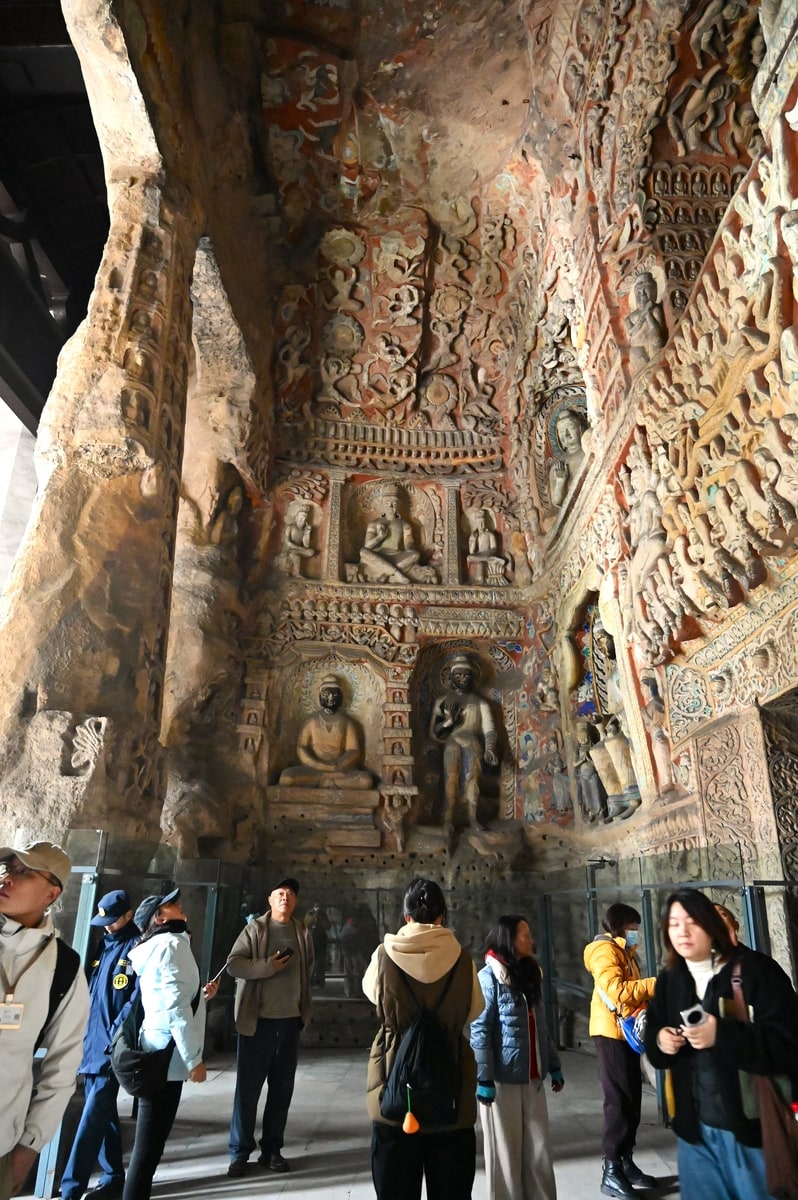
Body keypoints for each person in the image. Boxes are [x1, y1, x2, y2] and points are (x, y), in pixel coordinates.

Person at [645, 889, 798, 1199]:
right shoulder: (671, 980)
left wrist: (722, 1035)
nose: (682, 932)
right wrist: (661, 1041)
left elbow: (789, 1045)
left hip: (752, 1134)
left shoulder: (755, 972)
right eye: (673, 924)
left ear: (711, 925)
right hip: (695, 1136)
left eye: (692, 922)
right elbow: (654, 1041)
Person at [362, 877, 484, 1200]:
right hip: (450, 1085)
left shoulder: (384, 954)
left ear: (406, 916)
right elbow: (475, 1008)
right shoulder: (463, 959)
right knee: (452, 1189)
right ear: (442, 916)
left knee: (395, 1188)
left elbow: (371, 993)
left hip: (394, 1083)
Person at [0, 842, 90, 1200]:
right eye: (8, 869)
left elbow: (63, 1066)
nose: (8, 878)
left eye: (24, 872)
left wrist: (29, 1147)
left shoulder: (63, 967)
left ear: (52, 894)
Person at [124, 889, 216, 1200]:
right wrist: (194, 1059)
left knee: (151, 1143)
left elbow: (169, 999)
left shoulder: (160, 946)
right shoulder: (172, 945)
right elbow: (174, 1007)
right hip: (166, 1055)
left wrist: (201, 997)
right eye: (171, 905)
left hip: (157, 1047)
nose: (180, 905)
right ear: (160, 919)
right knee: (148, 1146)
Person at [470, 915, 564, 1200]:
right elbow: (480, 1030)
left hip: (533, 1077)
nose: (530, 940)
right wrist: (484, 1078)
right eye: (525, 935)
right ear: (509, 940)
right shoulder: (488, 978)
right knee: (505, 1152)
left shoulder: (531, 974)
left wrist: (553, 1064)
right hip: (502, 1081)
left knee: (538, 1150)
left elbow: (540, 1025)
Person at [226, 877, 313, 1177]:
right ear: (270, 899)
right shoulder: (255, 930)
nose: (285, 897)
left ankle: (272, 1149)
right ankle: (239, 1152)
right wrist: (268, 966)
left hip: (289, 1023)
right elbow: (234, 964)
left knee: (281, 1090)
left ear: (296, 901)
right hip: (257, 1023)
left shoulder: (302, 931)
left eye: (290, 894)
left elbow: (308, 968)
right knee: (247, 1091)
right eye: (280, 893)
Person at [60, 890, 140, 1200]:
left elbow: (135, 1000)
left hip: (111, 1047)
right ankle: (113, 1176)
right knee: (102, 1113)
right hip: (90, 1044)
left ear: (129, 915)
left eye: (113, 920)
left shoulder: (136, 948)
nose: (107, 926)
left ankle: (71, 1189)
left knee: (92, 1117)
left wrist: (116, 1034)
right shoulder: (103, 946)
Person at [583, 903, 657, 1199]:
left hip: (624, 1033)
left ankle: (625, 1161)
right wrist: (654, 984)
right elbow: (617, 991)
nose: (636, 933)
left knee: (631, 1099)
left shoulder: (624, 951)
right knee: (618, 1101)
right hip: (610, 1033)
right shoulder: (605, 951)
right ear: (620, 926)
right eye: (633, 928)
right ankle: (611, 1169)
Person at [429, 653, 498, 832]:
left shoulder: (480, 703)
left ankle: (472, 818)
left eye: (466, 675)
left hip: (473, 744)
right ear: (451, 678)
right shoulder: (443, 702)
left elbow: (489, 728)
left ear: (472, 678)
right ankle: (448, 818)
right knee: (450, 780)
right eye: (458, 675)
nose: (463, 679)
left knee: (472, 780)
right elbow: (435, 732)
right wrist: (449, 721)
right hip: (452, 744)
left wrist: (490, 748)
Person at [279, 675, 374, 789]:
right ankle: (328, 781)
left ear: (341, 697)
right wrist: (318, 765)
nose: (330, 698)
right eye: (326, 694)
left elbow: (353, 751)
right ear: (319, 696)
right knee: (286, 778)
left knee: (365, 781)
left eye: (335, 695)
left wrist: (338, 765)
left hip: (339, 771)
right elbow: (302, 748)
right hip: (314, 770)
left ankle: (326, 781)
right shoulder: (311, 721)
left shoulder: (347, 722)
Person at [357, 482, 422, 584]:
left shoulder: (404, 525)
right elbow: (367, 546)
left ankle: (385, 574)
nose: (390, 506)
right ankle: (396, 573)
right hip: (379, 556)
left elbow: (409, 547)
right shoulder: (374, 523)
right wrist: (380, 537)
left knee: (415, 555)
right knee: (363, 552)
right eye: (387, 503)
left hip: (397, 556)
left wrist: (410, 546)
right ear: (382, 505)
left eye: (394, 504)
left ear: (399, 506)